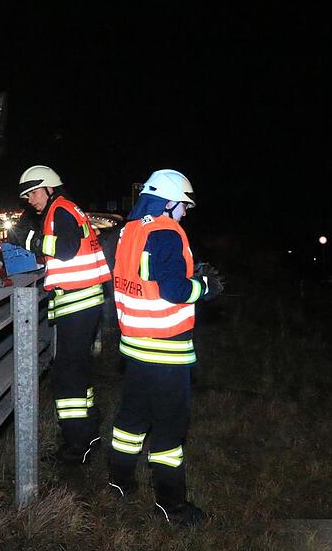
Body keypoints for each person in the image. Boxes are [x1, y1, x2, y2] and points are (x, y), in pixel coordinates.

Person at [107, 169, 221, 526]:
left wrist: (189, 276)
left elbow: (145, 279)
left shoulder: (130, 230)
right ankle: (173, 507)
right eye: (183, 205)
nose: (185, 212)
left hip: (136, 347)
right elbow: (173, 290)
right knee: (170, 433)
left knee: (131, 420)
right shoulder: (168, 232)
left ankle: (119, 483)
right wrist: (204, 287)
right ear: (169, 202)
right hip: (167, 350)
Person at [6, 165, 111, 464]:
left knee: (66, 376)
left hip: (77, 304)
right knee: (77, 370)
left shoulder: (61, 211)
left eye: (33, 192)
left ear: (49, 188)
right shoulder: (67, 209)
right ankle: (88, 431)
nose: (30, 199)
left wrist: (27, 241)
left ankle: (78, 445)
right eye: (27, 195)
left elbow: (65, 250)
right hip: (84, 302)